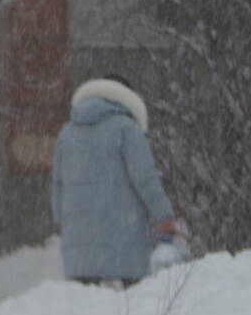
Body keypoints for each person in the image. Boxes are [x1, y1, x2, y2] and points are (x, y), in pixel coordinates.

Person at [51, 75, 179, 287]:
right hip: (124, 242)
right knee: (130, 310)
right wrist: (164, 216)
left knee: (83, 310)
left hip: (80, 245)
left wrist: (62, 221)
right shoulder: (126, 129)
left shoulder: (67, 133)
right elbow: (145, 179)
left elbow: (57, 184)